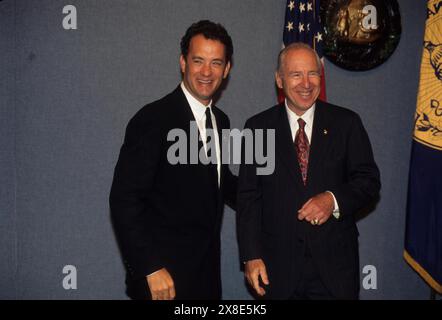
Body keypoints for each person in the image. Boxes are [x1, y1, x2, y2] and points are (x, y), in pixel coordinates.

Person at [237, 43, 380, 299]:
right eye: (295, 75)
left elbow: (368, 182)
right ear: (279, 80)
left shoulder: (346, 123)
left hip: (334, 271)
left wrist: (332, 200)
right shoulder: (258, 128)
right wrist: (250, 255)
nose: (306, 83)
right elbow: (249, 197)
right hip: (277, 271)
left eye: (312, 73)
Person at [109, 20, 237, 300]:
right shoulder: (153, 119)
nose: (206, 71)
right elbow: (124, 199)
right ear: (183, 62)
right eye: (198, 60)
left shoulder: (221, 122)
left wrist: (273, 193)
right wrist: (150, 267)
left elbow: (218, 181)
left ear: (226, 69)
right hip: (162, 282)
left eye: (216, 63)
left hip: (205, 278)